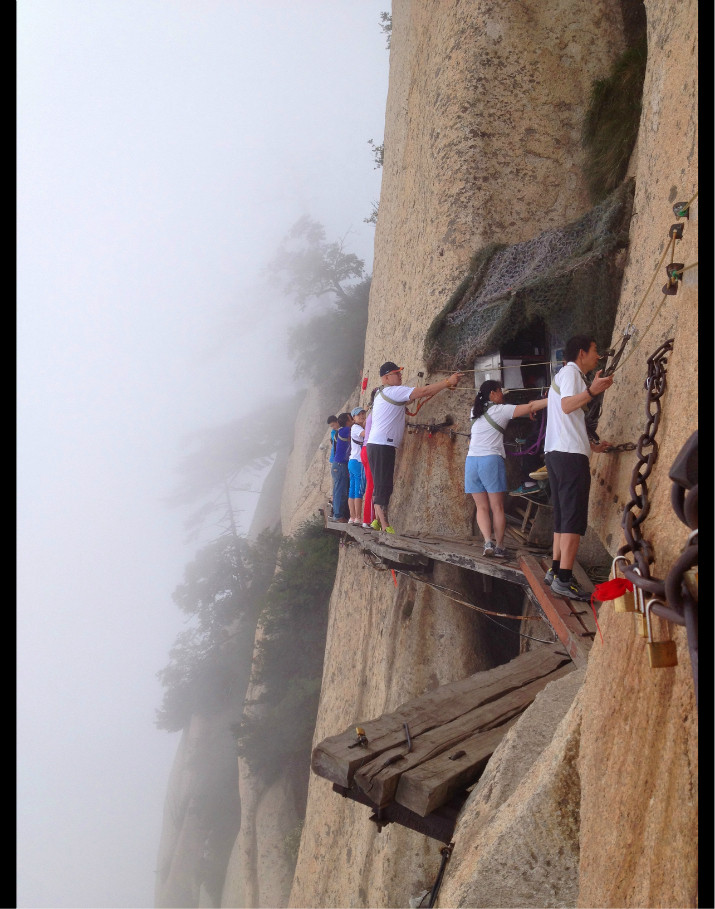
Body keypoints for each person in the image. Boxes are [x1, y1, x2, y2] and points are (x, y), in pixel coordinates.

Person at [544, 335, 613, 600]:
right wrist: (593, 391)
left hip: (557, 454)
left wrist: (592, 444)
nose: (598, 356)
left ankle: (555, 571)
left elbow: (568, 417)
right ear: (582, 353)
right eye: (596, 351)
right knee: (572, 520)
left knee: (562, 519)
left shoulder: (562, 376)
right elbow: (567, 405)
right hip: (570, 456)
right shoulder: (572, 373)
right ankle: (563, 579)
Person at [366, 361, 464, 533]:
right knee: (384, 485)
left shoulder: (382, 393)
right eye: (396, 373)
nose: (400, 375)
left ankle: (377, 521)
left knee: (382, 483)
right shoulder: (394, 391)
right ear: (386, 377)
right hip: (382, 444)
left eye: (399, 373)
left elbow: (412, 399)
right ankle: (385, 526)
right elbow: (423, 392)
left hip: (377, 444)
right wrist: (448, 382)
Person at [466, 379, 549, 558]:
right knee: (497, 507)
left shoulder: (474, 411)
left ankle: (488, 542)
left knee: (481, 507)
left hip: (471, 462)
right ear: (493, 394)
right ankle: (500, 546)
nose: (503, 395)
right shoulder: (500, 410)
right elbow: (530, 406)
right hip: (490, 460)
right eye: (500, 392)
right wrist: (554, 398)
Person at [361, 388, 378, 528]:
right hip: (369, 449)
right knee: (371, 486)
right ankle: (369, 519)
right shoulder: (375, 413)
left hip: (366, 449)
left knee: (370, 486)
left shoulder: (371, 414)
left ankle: (367, 518)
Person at [330, 412, 352, 523]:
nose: (353, 420)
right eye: (351, 418)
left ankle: (340, 515)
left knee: (341, 491)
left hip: (339, 466)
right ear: (347, 421)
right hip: (339, 466)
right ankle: (338, 516)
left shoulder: (343, 431)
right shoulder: (344, 430)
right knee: (340, 491)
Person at [348, 406, 367, 524]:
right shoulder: (356, 427)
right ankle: (358, 517)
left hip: (352, 461)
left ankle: (352, 517)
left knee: (352, 491)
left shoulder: (355, 427)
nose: (361, 416)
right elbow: (366, 434)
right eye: (358, 414)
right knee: (358, 491)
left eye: (363, 414)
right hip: (358, 462)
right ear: (353, 418)